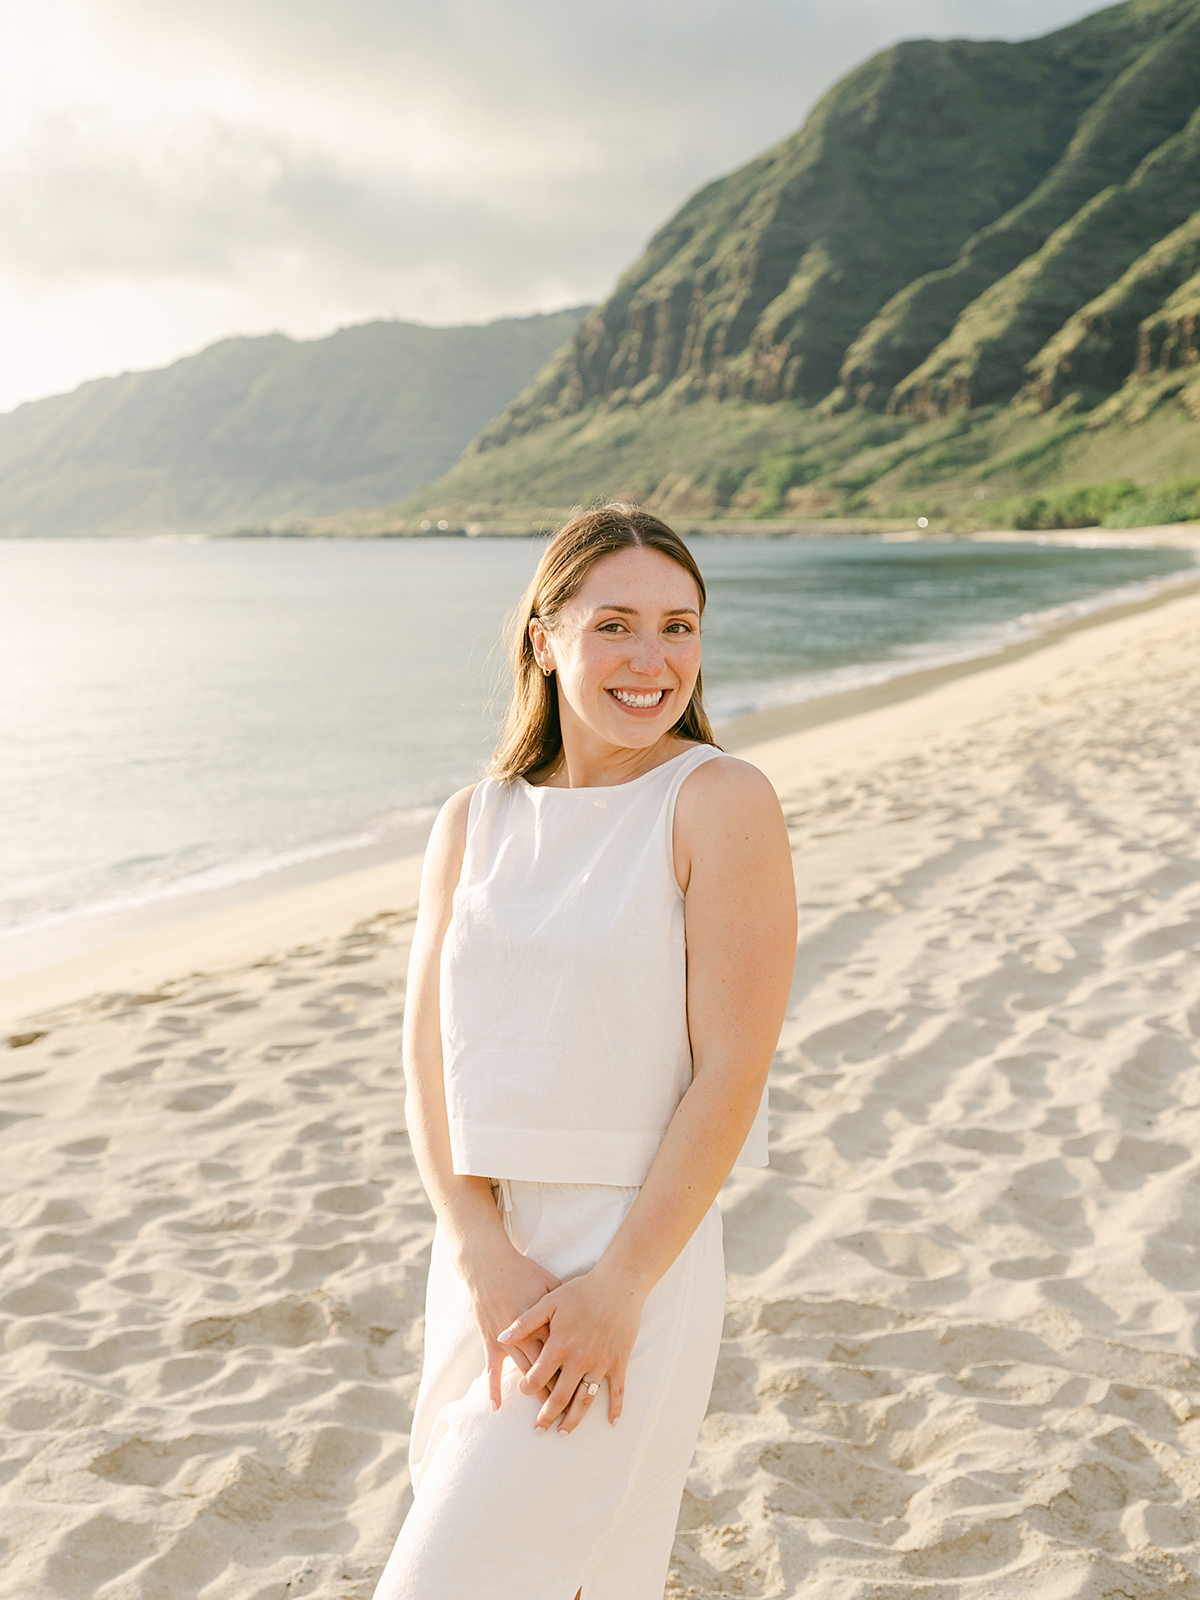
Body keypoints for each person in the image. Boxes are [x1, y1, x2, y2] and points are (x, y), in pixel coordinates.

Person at [372, 504, 796, 1599]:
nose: (653, 660)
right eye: (615, 625)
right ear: (544, 638)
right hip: (484, 1258)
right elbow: (427, 1059)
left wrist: (620, 1286)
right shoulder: (472, 820)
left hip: (632, 1251)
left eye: (678, 626)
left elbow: (733, 1069)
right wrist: (476, 1245)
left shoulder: (718, 800)